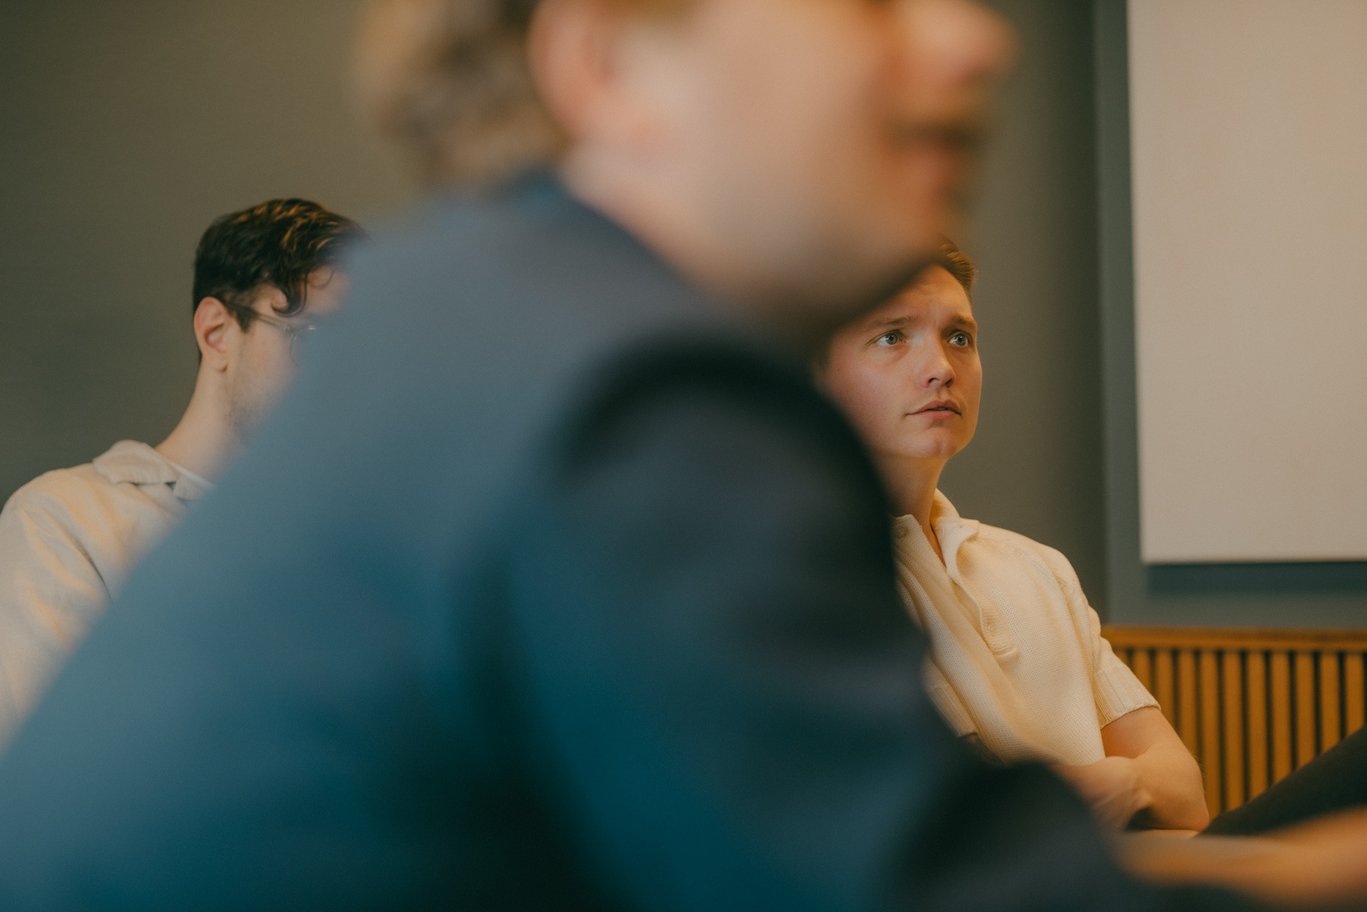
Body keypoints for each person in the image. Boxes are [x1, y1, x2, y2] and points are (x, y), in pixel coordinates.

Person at [0, 1, 1365, 909]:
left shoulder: (481, 317)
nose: (972, 39)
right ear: (607, 68)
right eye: (866, 6)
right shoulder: (625, 390)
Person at [816, 240, 1210, 832]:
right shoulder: (817, 578)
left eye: (959, 337)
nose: (942, 367)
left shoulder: (1038, 567)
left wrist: (1120, 785)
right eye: (892, 337)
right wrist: (1115, 790)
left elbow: (1186, 794)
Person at [0, 198, 362, 747]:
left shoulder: (348, 543)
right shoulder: (65, 520)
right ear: (217, 333)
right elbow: (57, 761)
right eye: (312, 338)